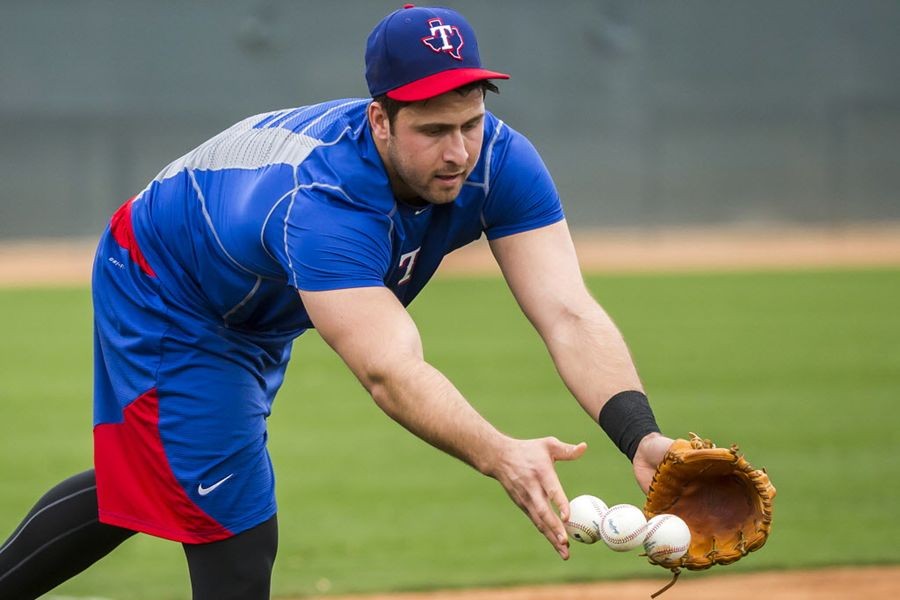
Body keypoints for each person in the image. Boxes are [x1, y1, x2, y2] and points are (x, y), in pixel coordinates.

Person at [0, 5, 674, 599]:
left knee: (168, 471)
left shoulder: (500, 159)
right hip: (167, 283)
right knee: (235, 528)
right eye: (434, 128)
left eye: (471, 121)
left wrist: (639, 436)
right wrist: (499, 451)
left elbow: (567, 311)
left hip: (251, 288)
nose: (459, 150)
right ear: (380, 119)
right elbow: (389, 369)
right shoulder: (325, 204)